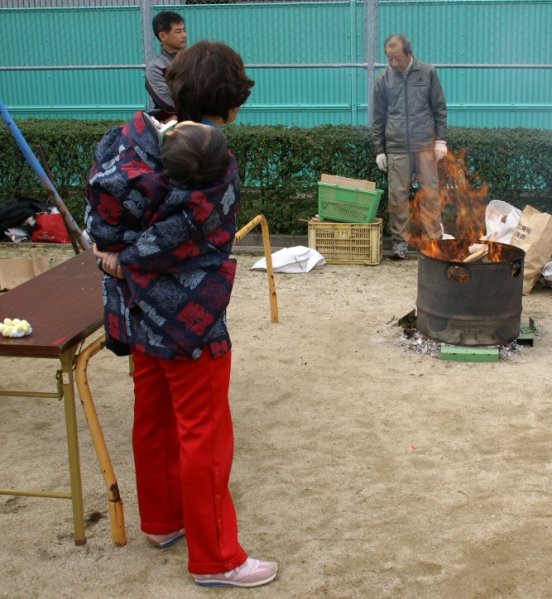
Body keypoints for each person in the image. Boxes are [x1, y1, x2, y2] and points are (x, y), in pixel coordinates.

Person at [85, 41, 278, 589]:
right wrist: (128, 258)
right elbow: (184, 235)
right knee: (203, 432)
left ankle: (163, 521)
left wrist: (114, 255)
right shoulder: (212, 163)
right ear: (232, 103)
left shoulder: (128, 140)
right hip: (189, 319)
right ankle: (217, 558)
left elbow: (100, 218)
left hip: (135, 312)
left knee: (153, 416)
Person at [372, 34, 448, 259]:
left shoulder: (428, 73)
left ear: (409, 54)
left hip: (425, 144)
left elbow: (439, 108)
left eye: (397, 58)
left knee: (430, 193)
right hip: (396, 146)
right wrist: (379, 150)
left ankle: (433, 242)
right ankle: (400, 244)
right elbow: (378, 117)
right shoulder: (383, 79)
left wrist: (441, 141)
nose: (393, 63)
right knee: (397, 196)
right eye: (389, 58)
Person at [145, 11, 187, 113]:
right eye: (178, 31)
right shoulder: (156, 67)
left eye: (184, 30)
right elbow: (167, 103)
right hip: (176, 119)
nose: (184, 35)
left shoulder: (197, 60)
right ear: (163, 36)